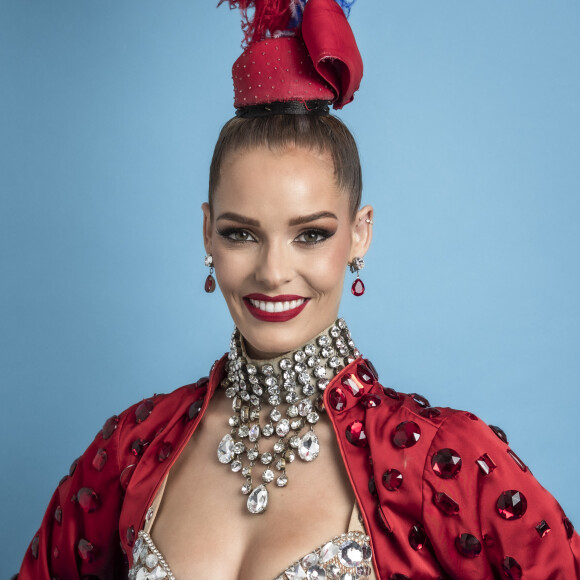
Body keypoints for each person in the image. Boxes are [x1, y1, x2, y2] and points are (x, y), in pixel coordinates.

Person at [16, 1, 580, 578]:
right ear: (207, 232)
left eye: (310, 235)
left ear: (360, 234)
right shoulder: (130, 452)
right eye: (241, 234)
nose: (273, 271)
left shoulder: (446, 465)